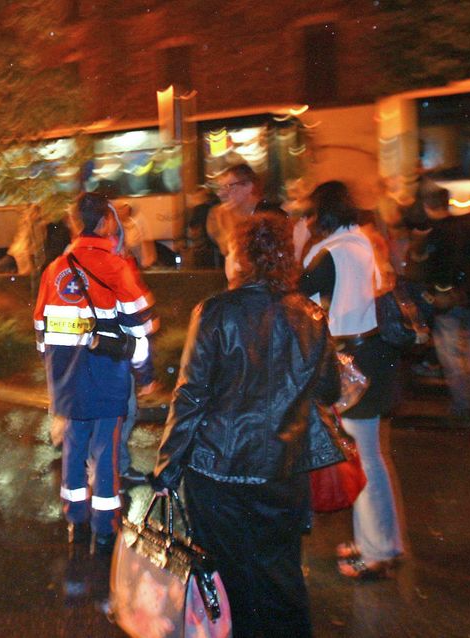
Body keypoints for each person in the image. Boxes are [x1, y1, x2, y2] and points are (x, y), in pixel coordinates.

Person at [151, 214, 341, 638]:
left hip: (218, 470)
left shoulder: (216, 311)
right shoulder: (310, 315)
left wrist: (168, 466)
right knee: (282, 573)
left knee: (227, 578)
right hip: (282, 468)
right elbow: (328, 389)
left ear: (242, 257)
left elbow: (191, 395)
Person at [34, 192, 156, 554]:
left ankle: (76, 523)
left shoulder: (54, 270)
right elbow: (140, 328)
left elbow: (41, 328)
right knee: (106, 452)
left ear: (74, 222)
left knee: (73, 448)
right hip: (107, 377)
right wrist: (144, 372)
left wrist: (55, 370)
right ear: (105, 222)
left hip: (67, 379)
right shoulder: (117, 267)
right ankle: (105, 527)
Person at [299, 181, 404, 579]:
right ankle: (382, 542)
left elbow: (298, 297)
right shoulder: (362, 243)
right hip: (377, 357)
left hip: (353, 361)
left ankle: (376, 552)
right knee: (374, 455)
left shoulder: (331, 254)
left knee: (363, 457)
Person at [419, 187, 470, 428]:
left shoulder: (438, 233)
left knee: (451, 352)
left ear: (428, 206)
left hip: (452, 302)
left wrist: (441, 292)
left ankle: (462, 406)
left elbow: (441, 270)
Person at [205, 163, 260, 260]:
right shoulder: (218, 215)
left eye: (228, 186)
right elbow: (229, 251)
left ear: (248, 186)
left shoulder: (269, 213)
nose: (220, 194)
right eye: (219, 188)